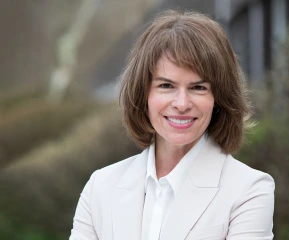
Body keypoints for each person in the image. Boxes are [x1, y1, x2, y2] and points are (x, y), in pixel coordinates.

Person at [70, 10, 274, 240]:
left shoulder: (249, 190)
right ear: (143, 94)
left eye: (198, 87)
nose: (182, 103)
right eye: (166, 86)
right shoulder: (101, 186)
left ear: (218, 98)